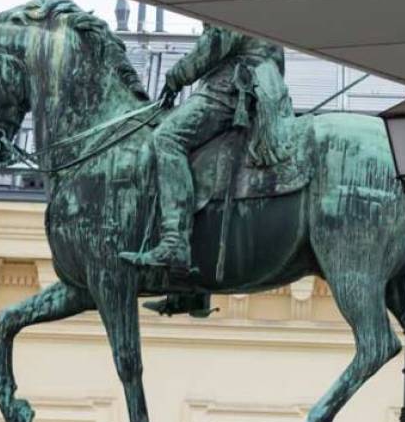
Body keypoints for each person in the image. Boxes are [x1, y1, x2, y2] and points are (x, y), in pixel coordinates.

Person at [120, 24, 290, 282]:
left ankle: (175, 241)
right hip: (257, 81)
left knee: (167, 139)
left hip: (233, 85)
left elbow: (216, 41)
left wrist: (176, 77)